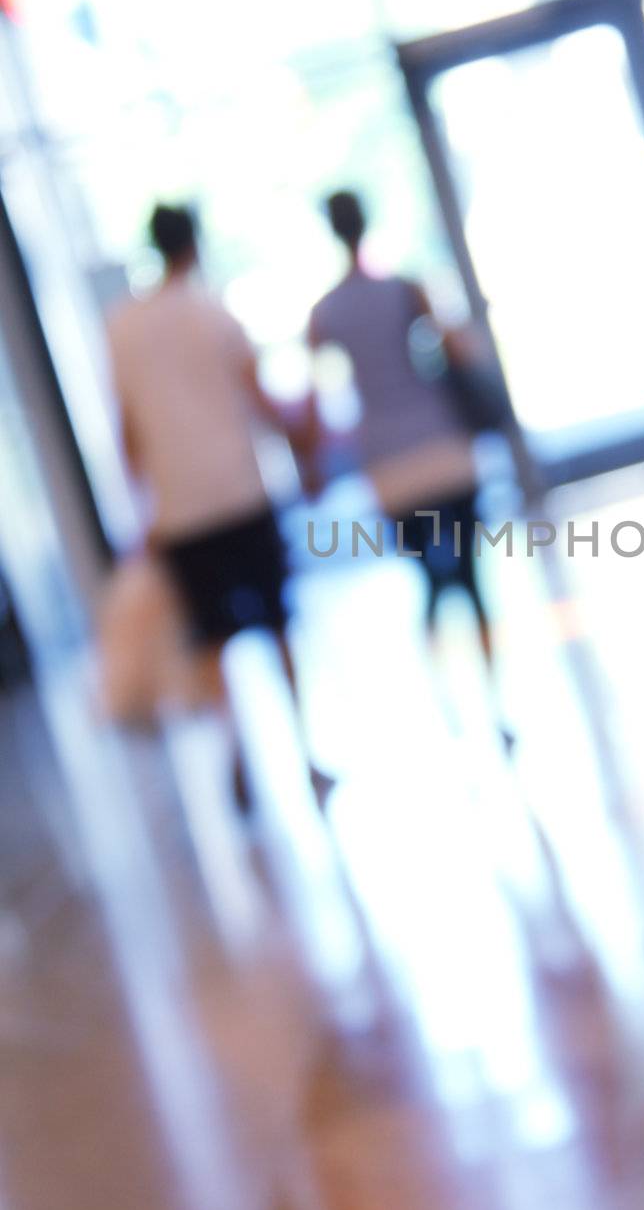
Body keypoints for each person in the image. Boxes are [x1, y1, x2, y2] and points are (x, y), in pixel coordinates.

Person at [108, 204, 326, 808]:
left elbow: (127, 431)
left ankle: (237, 750)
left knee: (212, 638)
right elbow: (259, 400)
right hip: (240, 491)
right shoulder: (214, 315)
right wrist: (305, 442)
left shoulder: (121, 327)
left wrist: (145, 506)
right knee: (278, 620)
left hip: (180, 509)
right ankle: (305, 751)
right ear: (194, 245)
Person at [309, 191, 507, 734]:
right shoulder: (405, 291)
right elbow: (459, 350)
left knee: (428, 580)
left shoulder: (324, 314)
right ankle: (493, 699)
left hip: (389, 468)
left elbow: (314, 396)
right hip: (442, 449)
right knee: (470, 578)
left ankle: (447, 700)